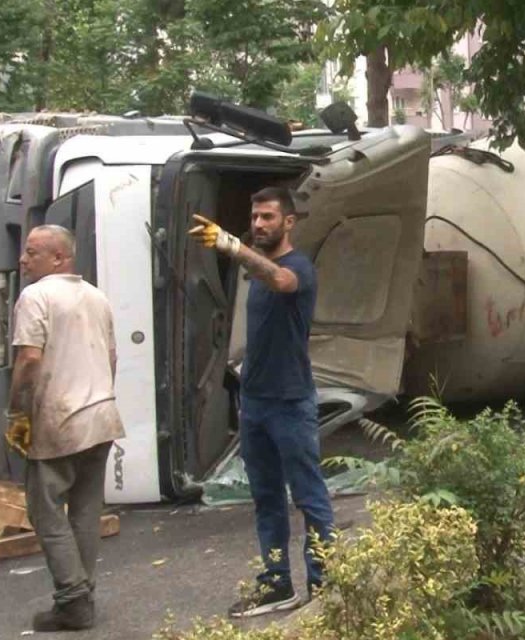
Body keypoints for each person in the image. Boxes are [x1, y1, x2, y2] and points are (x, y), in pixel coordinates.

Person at [188, 186, 334, 618]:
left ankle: (326, 584)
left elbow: (280, 280)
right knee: (266, 497)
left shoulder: (298, 267)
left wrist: (232, 245)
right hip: (256, 402)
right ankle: (277, 584)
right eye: (254, 218)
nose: (258, 224)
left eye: (268, 217)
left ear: (289, 222)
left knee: (310, 497)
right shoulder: (258, 270)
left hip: (291, 401)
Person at [6, 225, 124, 632]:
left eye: (32, 252)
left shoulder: (35, 296)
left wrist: (18, 412)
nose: (23, 259)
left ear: (59, 258)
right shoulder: (96, 296)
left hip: (59, 418)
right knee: (87, 511)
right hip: (101, 417)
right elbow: (111, 358)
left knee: (46, 511)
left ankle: (72, 599)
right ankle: (83, 593)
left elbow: (29, 361)